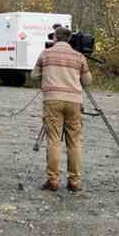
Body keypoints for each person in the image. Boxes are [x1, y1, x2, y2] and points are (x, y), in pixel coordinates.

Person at [31, 27, 92, 192]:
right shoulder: (79, 56)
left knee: (54, 141)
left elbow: (34, 76)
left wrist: (49, 75)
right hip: (74, 102)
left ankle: (53, 180)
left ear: (55, 38)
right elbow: (87, 81)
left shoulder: (45, 54)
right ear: (70, 39)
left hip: (52, 101)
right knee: (74, 142)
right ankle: (74, 181)